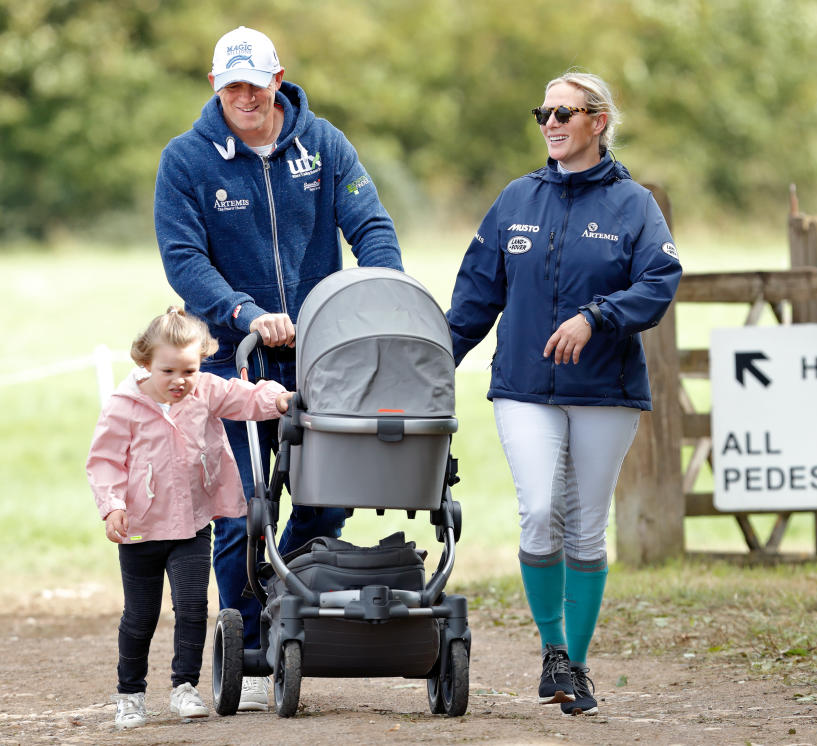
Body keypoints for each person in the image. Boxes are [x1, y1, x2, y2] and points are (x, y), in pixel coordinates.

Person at [154, 26, 403, 710]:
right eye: (231, 86)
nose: (244, 98)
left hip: (325, 356)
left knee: (329, 497)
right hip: (233, 358)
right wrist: (241, 310)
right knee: (240, 510)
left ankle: (282, 601)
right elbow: (184, 258)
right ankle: (253, 652)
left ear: (278, 79)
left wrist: (383, 294)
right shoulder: (186, 161)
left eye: (255, 85)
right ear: (215, 86)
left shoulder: (323, 145)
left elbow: (371, 226)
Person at [446, 72, 682, 716]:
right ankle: (552, 651)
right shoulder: (516, 199)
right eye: (542, 112)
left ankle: (577, 664)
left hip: (606, 390)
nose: (549, 122)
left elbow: (660, 281)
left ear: (597, 121)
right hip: (524, 387)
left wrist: (597, 316)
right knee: (539, 509)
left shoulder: (634, 205)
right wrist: (434, 359)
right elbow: (473, 297)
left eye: (563, 112)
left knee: (585, 526)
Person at [86, 308, 293, 729]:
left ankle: (185, 687)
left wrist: (278, 399)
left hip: (192, 526)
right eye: (168, 371)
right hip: (141, 531)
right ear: (145, 363)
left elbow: (243, 396)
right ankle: (130, 693)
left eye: (190, 369)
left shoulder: (205, 392)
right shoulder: (124, 406)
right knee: (140, 616)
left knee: (193, 609)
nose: (180, 380)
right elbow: (104, 461)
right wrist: (112, 506)